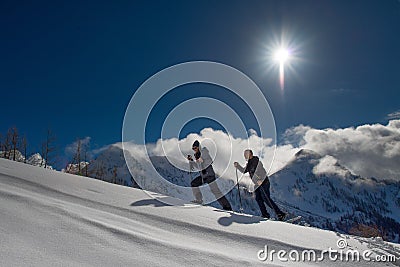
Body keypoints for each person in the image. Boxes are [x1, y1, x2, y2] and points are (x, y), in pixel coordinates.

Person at [234, 149, 286, 220]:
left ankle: (280, 213)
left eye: (246, 154)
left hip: (264, 182)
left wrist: (261, 180)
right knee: (258, 198)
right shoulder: (249, 163)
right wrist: (238, 166)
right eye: (244, 155)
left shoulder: (256, 161)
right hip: (257, 184)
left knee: (266, 199)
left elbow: (262, 171)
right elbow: (244, 171)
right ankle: (265, 214)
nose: (245, 156)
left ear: (250, 154)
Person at [188, 140, 232, 211]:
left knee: (216, 191)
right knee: (194, 183)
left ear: (199, 147)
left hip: (209, 175)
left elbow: (210, 161)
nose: (194, 150)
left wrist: (203, 161)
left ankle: (227, 207)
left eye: (195, 148)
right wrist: (191, 161)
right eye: (193, 148)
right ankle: (199, 200)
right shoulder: (197, 155)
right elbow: (198, 167)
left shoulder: (204, 152)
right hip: (203, 176)